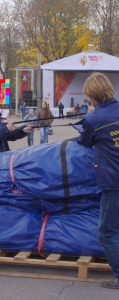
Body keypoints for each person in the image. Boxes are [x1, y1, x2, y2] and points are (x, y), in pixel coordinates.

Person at [77, 72, 119, 289]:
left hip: (114, 182)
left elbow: (84, 142)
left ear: (93, 96)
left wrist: (87, 120)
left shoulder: (94, 119)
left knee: (106, 232)